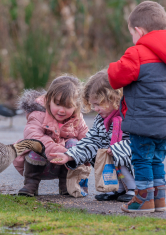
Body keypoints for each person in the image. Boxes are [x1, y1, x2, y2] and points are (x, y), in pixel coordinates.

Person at [107, 1, 166, 213]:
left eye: (132, 35)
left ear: (139, 30)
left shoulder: (137, 53)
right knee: (156, 160)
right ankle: (159, 199)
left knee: (141, 160)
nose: (133, 40)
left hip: (144, 121)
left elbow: (115, 78)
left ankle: (143, 199)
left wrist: (111, 66)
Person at [50, 70, 136, 202]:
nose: (95, 108)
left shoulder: (129, 117)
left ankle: (133, 188)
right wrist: (69, 155)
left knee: (120, 159)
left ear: (113, 98)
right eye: (93, 104)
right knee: (100, 156)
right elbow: (91, 140)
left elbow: (137, 142)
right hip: (113, 161)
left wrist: (118, 149)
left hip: (131, 163)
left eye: (98, 104)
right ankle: (117, 188)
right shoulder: (101, 120)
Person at [13, 75, 89, 197]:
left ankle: (66, 184)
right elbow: (34, 137)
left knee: (74, 144)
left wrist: (90, 157)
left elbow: (88, 140)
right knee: (35, 146)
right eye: (58, 103)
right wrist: (63, 152)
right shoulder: (38, 114)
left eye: (68, 106)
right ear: (48, 99)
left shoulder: (77, 119)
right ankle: (31, 184)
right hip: (40, 164)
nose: (62, 110)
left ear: (76, 106)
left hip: (65, 164)